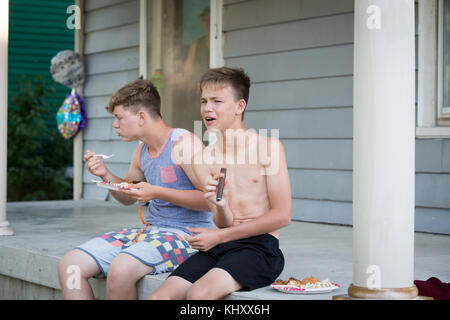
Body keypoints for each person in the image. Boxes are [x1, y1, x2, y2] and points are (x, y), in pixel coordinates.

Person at [57, 79, 214, 300]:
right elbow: (127, 197)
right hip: (151, 232)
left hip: (189, 235)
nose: (115, 124)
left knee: (120, 270)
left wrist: (157, 192)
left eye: (119, 117)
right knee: (70, 265)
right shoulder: (141, 152)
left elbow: (211, 200)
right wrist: (104, 173)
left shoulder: (183, 143)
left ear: (141, 116)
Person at [147, 67, 292, 300]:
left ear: (239, 106)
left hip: (260, 248)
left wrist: (218, 237)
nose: (207, 108)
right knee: (158, 298)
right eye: (204, 101)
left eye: (217, 101)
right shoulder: (207, 157)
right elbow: (222, 222)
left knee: (199, 294)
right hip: (223, 244)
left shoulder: (268, 148)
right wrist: (221, 207)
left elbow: (282, 216)